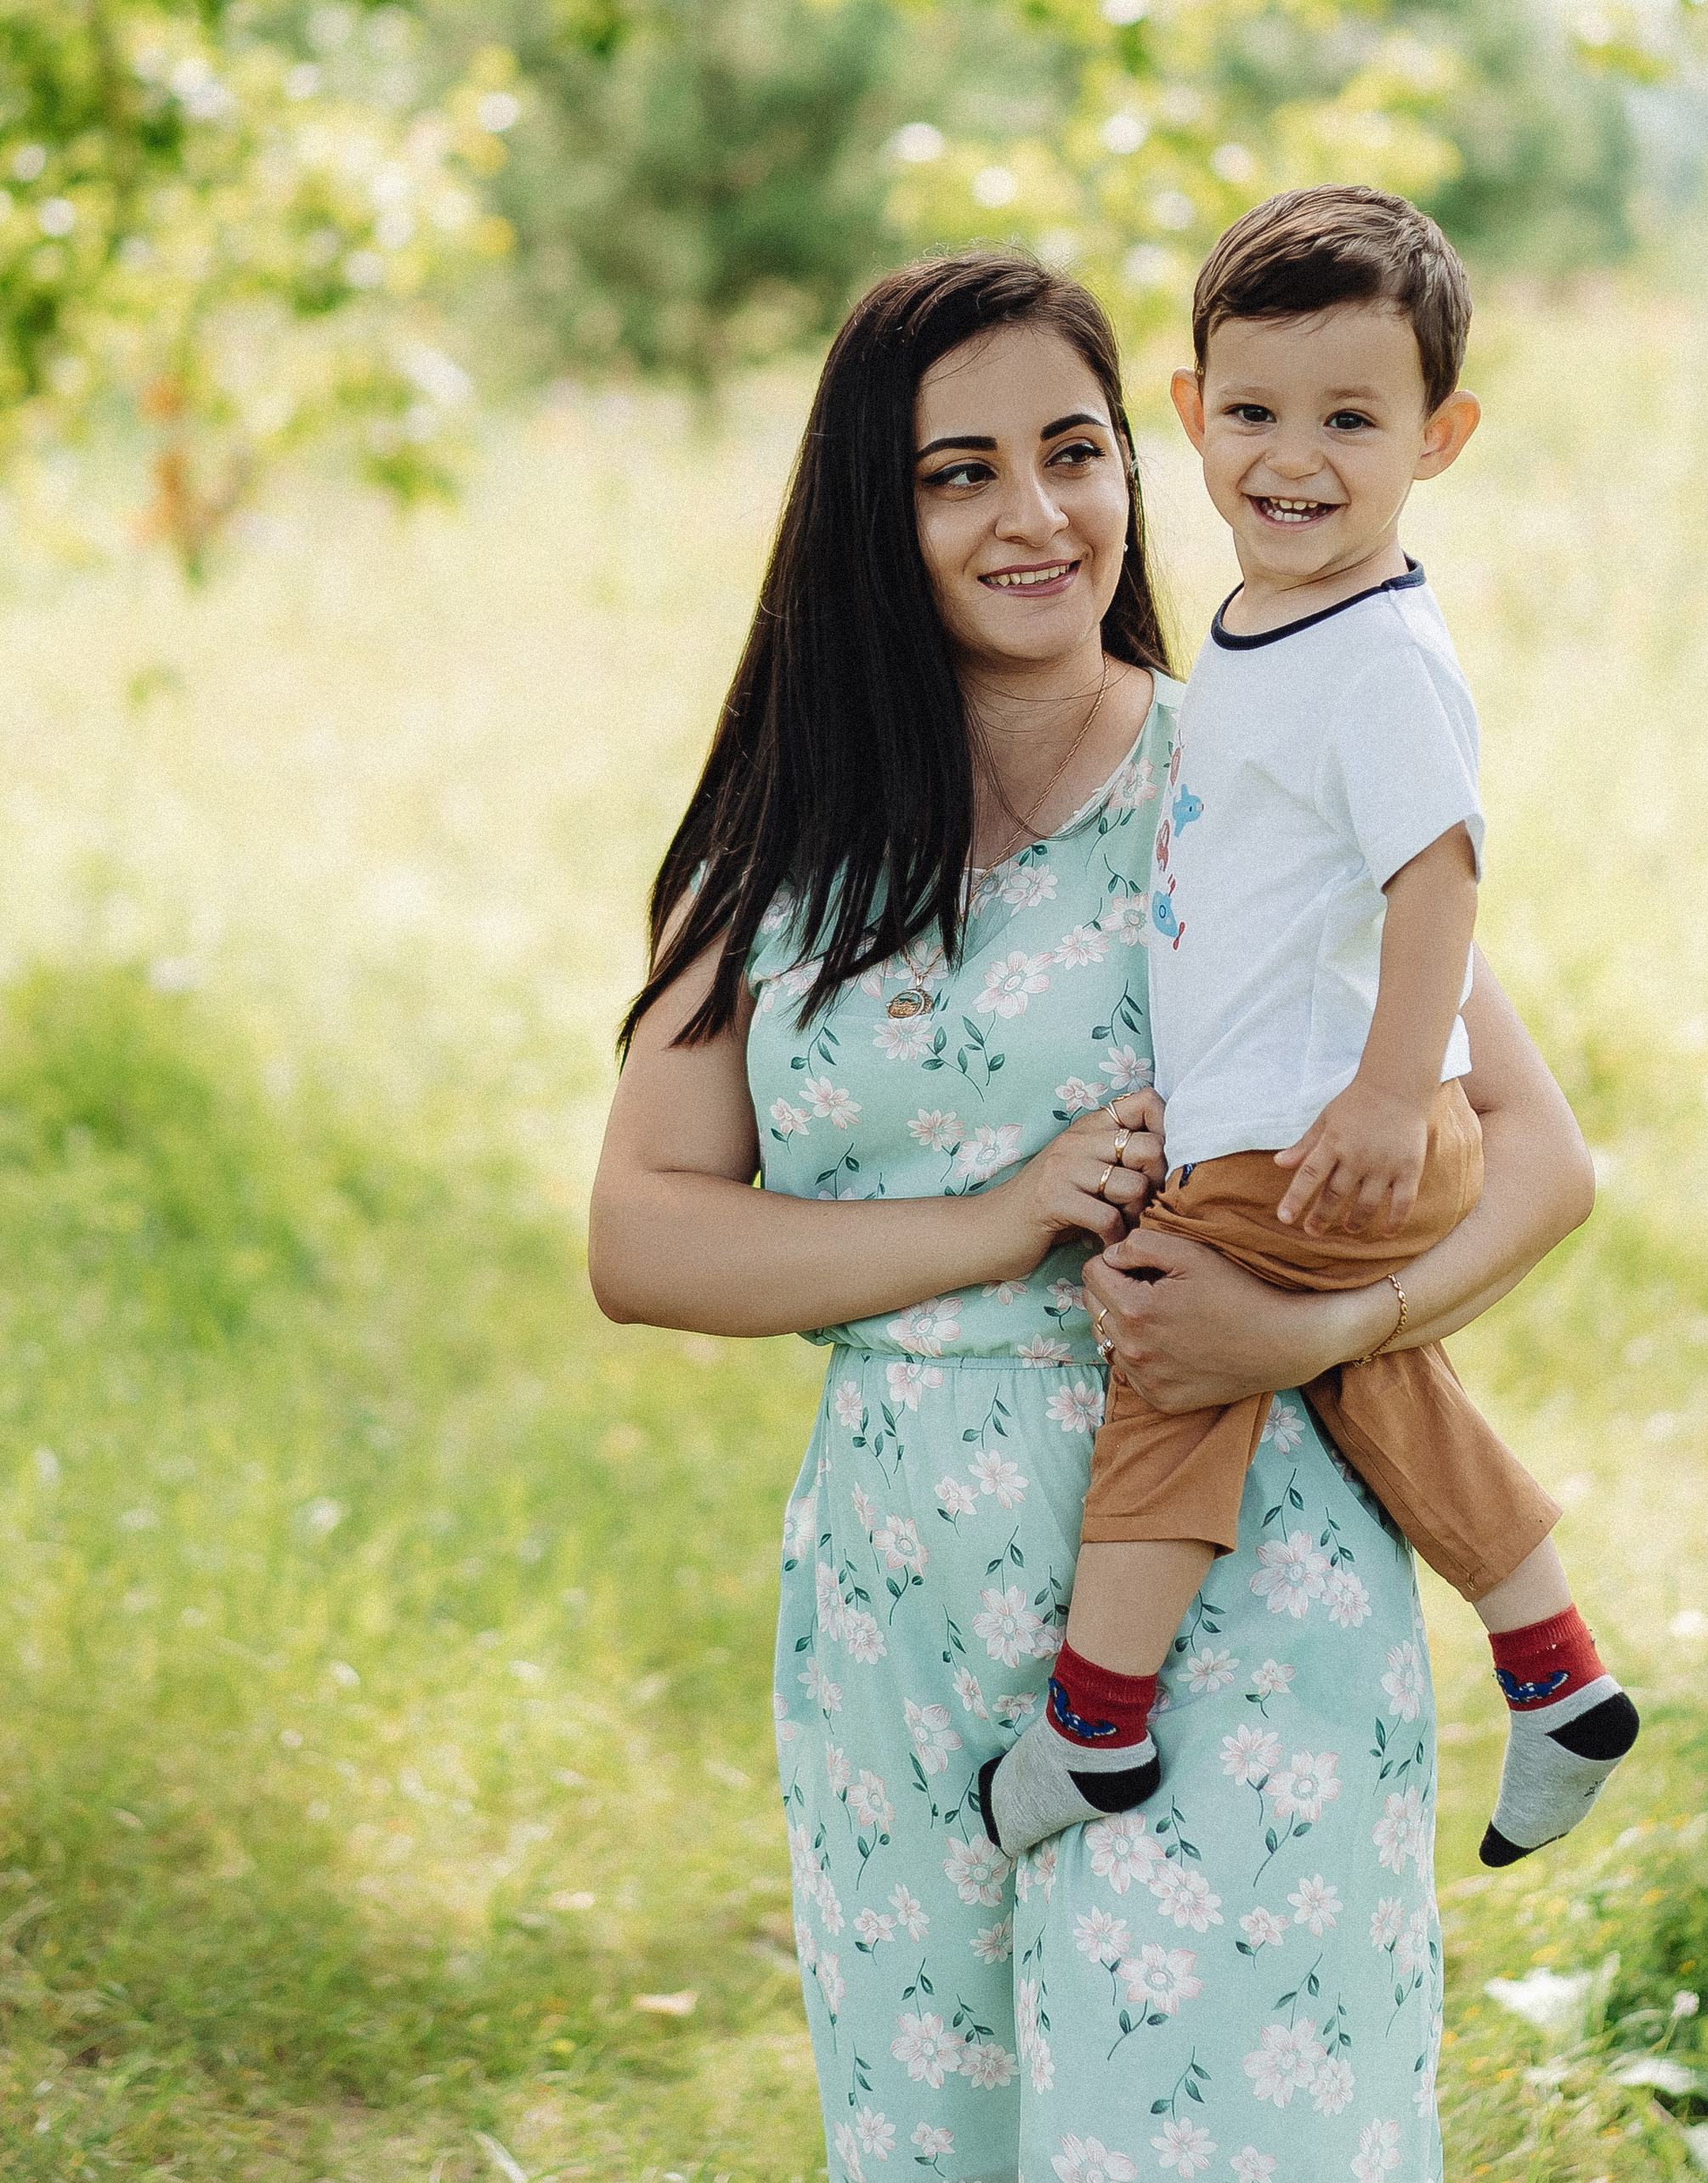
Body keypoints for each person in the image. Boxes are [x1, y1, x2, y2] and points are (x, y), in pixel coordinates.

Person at [589, 247, 1596, 2183]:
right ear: (871, 519)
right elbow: (644, 1234)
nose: (1034, 515)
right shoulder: (772, 843)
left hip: (1238, 1601)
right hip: (901, 1604)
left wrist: (1316, 1334)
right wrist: (994, 1220)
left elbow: (1539, 1156)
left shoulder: (1251, 761)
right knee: (941, 2144)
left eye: (1074, 450)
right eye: (957, 471)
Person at [984, 189, 1637, 1877]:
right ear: (1190, 418)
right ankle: (1553, 1671)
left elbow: (1439, 880)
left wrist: (1379, 1085)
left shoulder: (1378, 655)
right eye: (1256, 413)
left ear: (1438, 437)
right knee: (1360, 1368)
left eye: (1351, 419)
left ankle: (1095, 1719)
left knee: (1166, 1348)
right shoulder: (1268, 623)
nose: (1295, 457)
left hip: (1311, 1124)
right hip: (1286, 1111)